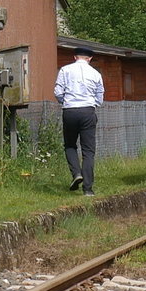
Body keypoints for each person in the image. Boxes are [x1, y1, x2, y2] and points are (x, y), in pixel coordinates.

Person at [54, 46, 104, 196]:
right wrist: (93, 103)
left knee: (70, 145)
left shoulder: (65, 70)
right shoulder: (96, 74)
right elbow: (100, 96)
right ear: (90, 58)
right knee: (88, 151)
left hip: (69, 111)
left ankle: (76, 173)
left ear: (75, 57)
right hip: (88, 111)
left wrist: (65, 102)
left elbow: (57, 91)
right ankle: (88, 189)